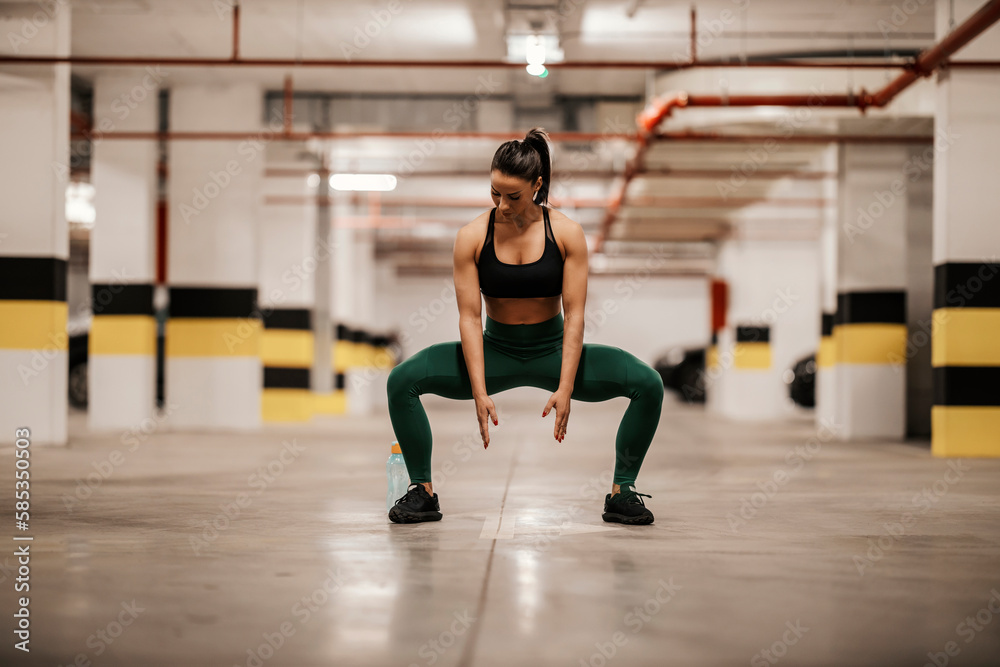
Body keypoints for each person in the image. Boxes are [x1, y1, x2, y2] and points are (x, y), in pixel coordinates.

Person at [386, 127, 664, 525]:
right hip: (494, 351)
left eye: (512, 196)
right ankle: (422, 491)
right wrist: (479, 392)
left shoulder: (566, 233)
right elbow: (469, 316)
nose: (501, 205)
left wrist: (566, 386)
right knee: (402, 380)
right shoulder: (471, 237)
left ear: (537, 185)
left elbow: (577, 314)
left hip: (553, 351)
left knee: (648, 383)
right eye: (494, 193)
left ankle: (622, 491)